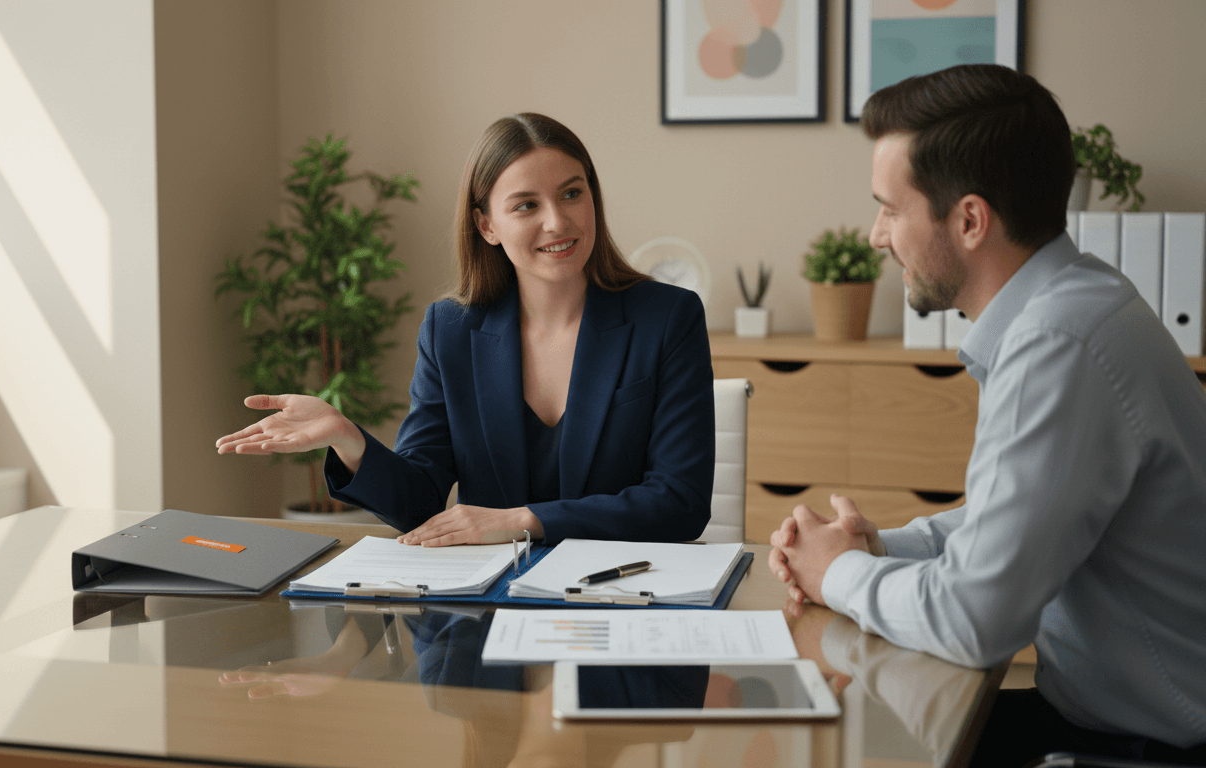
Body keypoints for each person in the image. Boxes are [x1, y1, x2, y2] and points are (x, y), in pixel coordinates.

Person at [767, 64, 1206, 766]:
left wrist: (837, 577)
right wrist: (880, 547)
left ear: (969, 219)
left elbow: (974, 620)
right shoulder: (1081, 298)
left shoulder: (1055, 344)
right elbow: (1018, 517)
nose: (878, 236)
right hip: (1112, 722)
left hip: (1147, 749)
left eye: (890, 207)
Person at [217, 113, 714, 547]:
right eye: (525, 205)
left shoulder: (668, 317)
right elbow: (420, 502)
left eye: (571, 193)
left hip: (623, 602)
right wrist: (346, 437)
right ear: (486, 226)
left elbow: (681, 502)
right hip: (487, 615)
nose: (557, 221)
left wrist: (525, 520)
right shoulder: (450, 330)